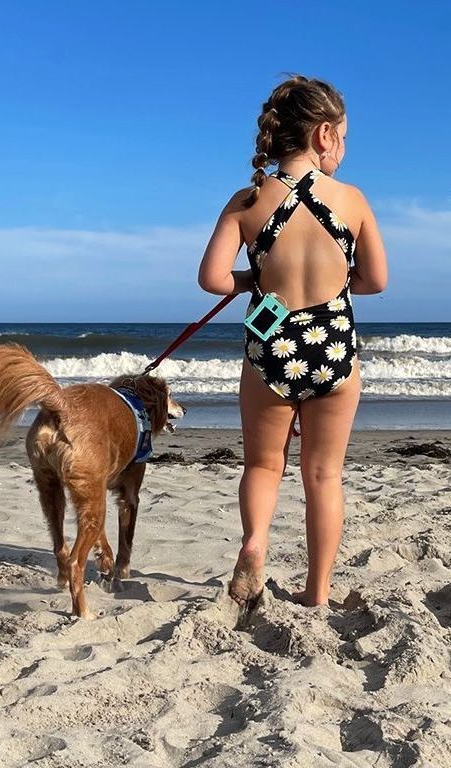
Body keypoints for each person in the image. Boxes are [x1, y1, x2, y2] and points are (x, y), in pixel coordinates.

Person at [198, 75, 388, 612]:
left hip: (271, 346)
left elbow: (212, 280)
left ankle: (255, 542)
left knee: (262, 465)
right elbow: (375, 281)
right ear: (324, 134)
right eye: (345, 138)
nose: (345, 149)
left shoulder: (249, 199)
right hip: (332, 346)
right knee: (324, 474)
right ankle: (317, 592)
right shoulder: (350, 200)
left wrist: (255, 283)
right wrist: (335, 279)